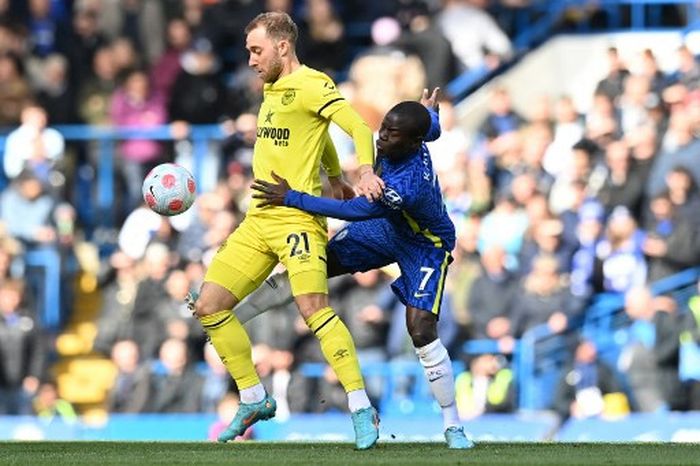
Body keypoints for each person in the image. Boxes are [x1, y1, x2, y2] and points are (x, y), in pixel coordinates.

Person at [187, 12, 384, 449]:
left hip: (297, 219)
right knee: (208, 306)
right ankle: (254, 397)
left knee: (313, 309)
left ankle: (359, 405)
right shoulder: (272, 88)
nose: (251, 61)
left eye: (256, 51)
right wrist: (333, 173)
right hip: (258, 218)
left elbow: (356, 126)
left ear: (282, 46)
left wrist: (362, 169)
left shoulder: (314, 82)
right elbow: (314, 132)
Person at [248, 91, 474, 449]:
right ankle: (237, 309)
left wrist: (292, 198)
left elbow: (355, 211)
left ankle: (453, 425)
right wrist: (432, 113)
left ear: (411, 141)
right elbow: (432, 128)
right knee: (311, 267)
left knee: (420, 328)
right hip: (389, 227)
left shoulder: (407, 185)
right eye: (383, 128)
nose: (382, 137)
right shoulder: (414, 133)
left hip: (424, 245)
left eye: (391, 134)